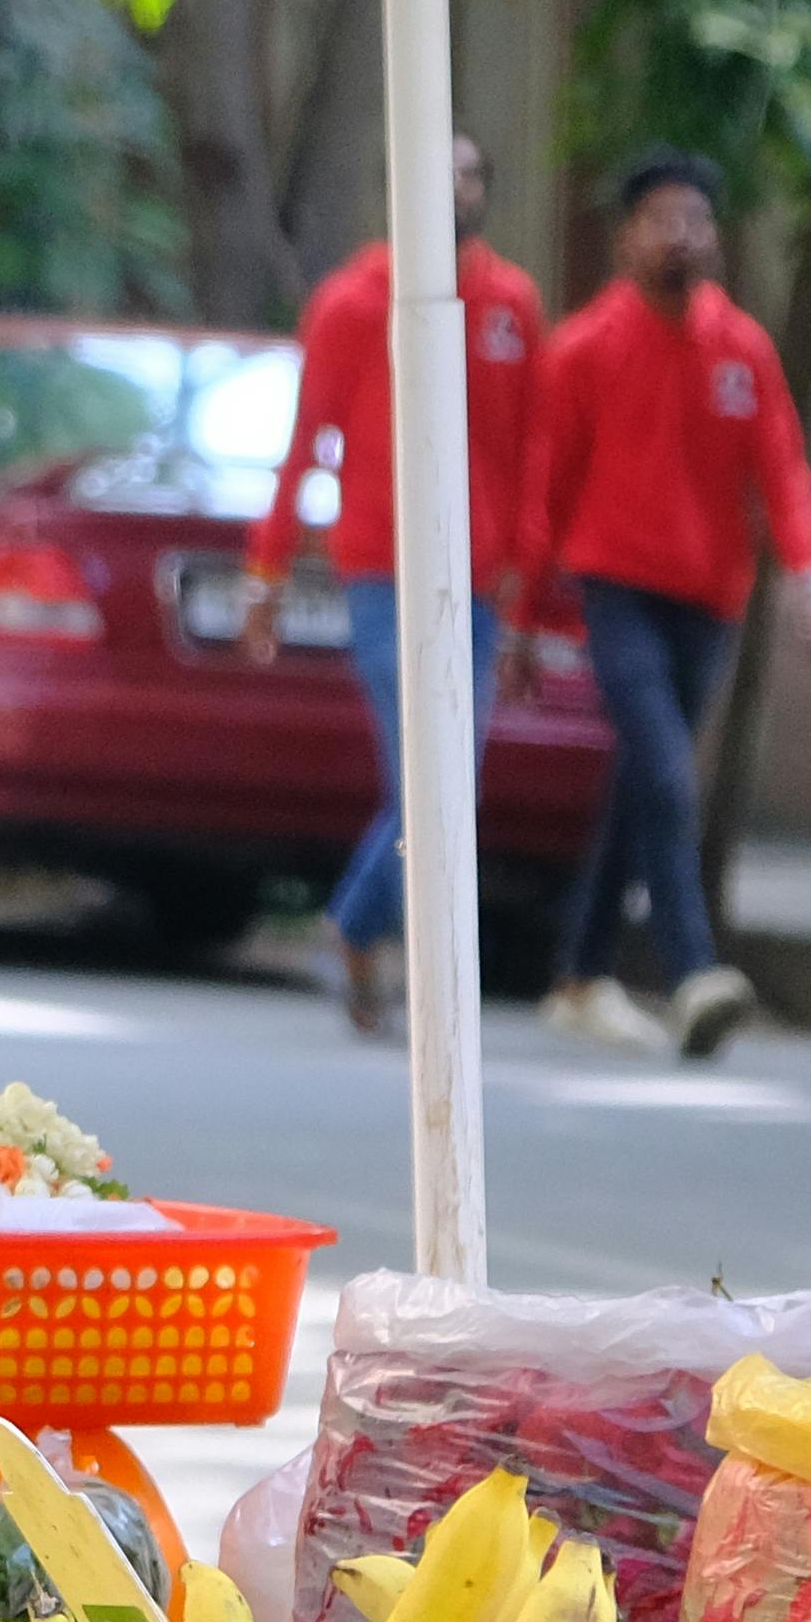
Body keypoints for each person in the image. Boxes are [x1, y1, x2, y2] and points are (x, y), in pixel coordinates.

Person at [522, 149, 811, 1060]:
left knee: (639, 784)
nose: (681, 235)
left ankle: (579, 974)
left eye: (696, 219)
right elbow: (549, 481)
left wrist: (809, 567)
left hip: (711, 598)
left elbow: (780, 466)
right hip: (616, 589)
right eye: (662, 218)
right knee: (663, 769)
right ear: (626, 236)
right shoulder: (583, 349)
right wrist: (520, 602)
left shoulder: (743, 350)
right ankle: (695, 970)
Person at [243, 136, 542, 1035]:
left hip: (477, 580)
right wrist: (268, 567)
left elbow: (533, 452)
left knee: (452, 778)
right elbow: (304, 444)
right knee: (428, 774)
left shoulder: (511, 305)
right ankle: (371, 935)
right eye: (437, 172)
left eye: (470, 174)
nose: (454, 189)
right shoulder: (349, 304)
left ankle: (356, 926)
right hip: (380, 572)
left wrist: (524, 588)